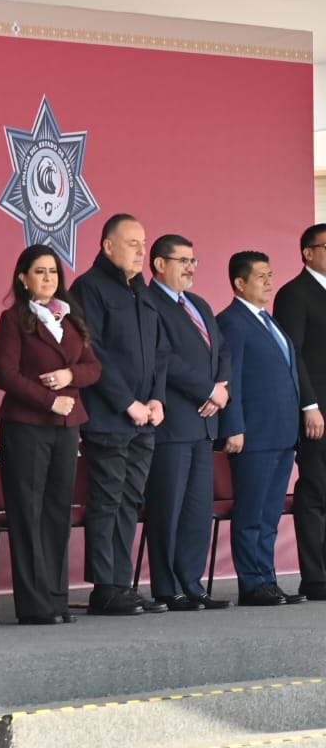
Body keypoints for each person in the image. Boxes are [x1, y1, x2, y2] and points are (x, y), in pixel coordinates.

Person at [0, 244, 100, 625]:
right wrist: (49, 400)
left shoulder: (69, 316)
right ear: (23, 278)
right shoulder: (13, 320)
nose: (48, 278)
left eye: (53, 271)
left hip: (67, 428)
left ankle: (56, 598)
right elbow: (5, 375)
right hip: (27, 427)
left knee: (56, 512)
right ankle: (34, 604)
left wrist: (71, 375)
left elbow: (93, 367)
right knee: (28, 514)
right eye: (40, 271)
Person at [69, 214, 168, 616]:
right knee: (107, 500)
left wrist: (156, 399)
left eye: (143, 243)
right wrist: (128, 402)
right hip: (110, 416)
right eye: (132, 243)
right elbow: (92, 351)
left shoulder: (141, 289)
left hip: (145, 418)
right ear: (108, 246)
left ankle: (122, 583)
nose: (141, 251)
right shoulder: (88, 287)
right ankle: (104, 587)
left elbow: (160, 351)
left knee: (130, 500)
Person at [142, 235, 233, 611]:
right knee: (168, 507)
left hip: (204, 426)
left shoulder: (198, 303)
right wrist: (207, 390)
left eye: (193, 260)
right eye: (183, 260)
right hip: (173, 423)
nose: (191, 267)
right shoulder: (149, 302)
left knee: (196, 509)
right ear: (159, 264)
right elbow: (164, 359)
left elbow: (222, 349)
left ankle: (192, 584)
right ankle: (168, 587)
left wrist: (221, 388)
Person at [217, 251, 307, 606]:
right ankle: (252, 583)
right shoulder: (232, 322)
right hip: (254, 435)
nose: (269, 282)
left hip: (281, 433)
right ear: (240, 283)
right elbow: (232, 380)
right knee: (252, 511)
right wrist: (234, 427)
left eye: (270, 275)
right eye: (260, 277)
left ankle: (267, 579)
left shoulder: (268, 321)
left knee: (269, 514)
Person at [273, 223, 326, 599]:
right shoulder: (295, 293)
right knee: (316, 490)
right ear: (308, 252)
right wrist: (309, 405)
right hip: (316, 412)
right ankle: (316, 577)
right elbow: (293, 356)